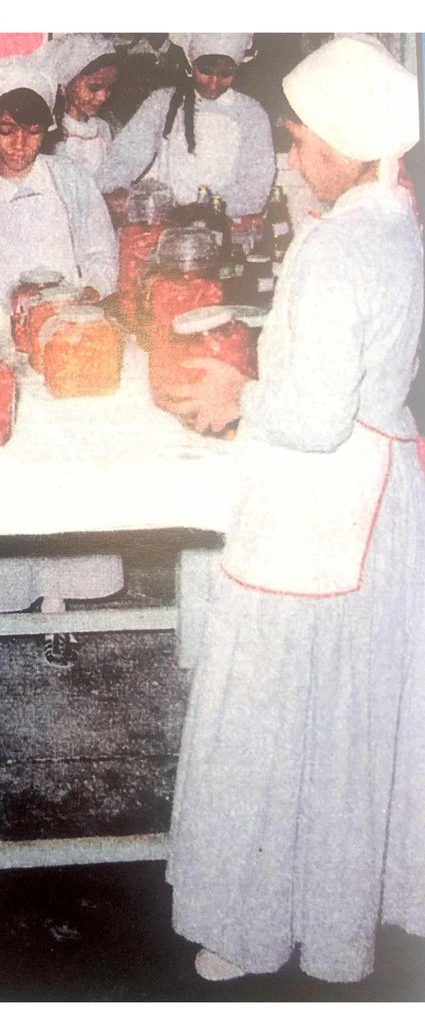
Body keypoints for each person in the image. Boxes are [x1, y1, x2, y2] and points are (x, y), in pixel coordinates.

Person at [154, 35, 424, 983]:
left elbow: (308, 420)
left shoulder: (338, 244)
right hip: (380, 490)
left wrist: (235, 395)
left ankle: (254, 923)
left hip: (323, 498)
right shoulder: (399, 230)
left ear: (346, 144)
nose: (293, 151)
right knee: (345, 716)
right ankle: (340, 913)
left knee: (272, 708)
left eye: (302, 137)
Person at [0, 55, 123, 669]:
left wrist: (68, 302)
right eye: (6, 130)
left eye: (33, 130)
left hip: (67, 340)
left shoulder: (71, 182)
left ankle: (57, 605)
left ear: (49, 130)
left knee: (61, 470)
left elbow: (101, 260)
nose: (20, 145)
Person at [95, 33, 275, 218]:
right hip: (166, 220)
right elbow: (127, 155)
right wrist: (110, 191)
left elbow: (256, 188)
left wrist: (202, 210)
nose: (214, 82)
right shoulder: (163, 102)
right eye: (206, 71)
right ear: (192, 64)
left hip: (225, 222)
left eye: (225, 74)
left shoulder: (251, 113)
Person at [35, 34, 119, 174]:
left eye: (109, 88)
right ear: (68, 81)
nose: (102, 97)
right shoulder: (53, 132)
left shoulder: (103, 128)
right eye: (94, 88)